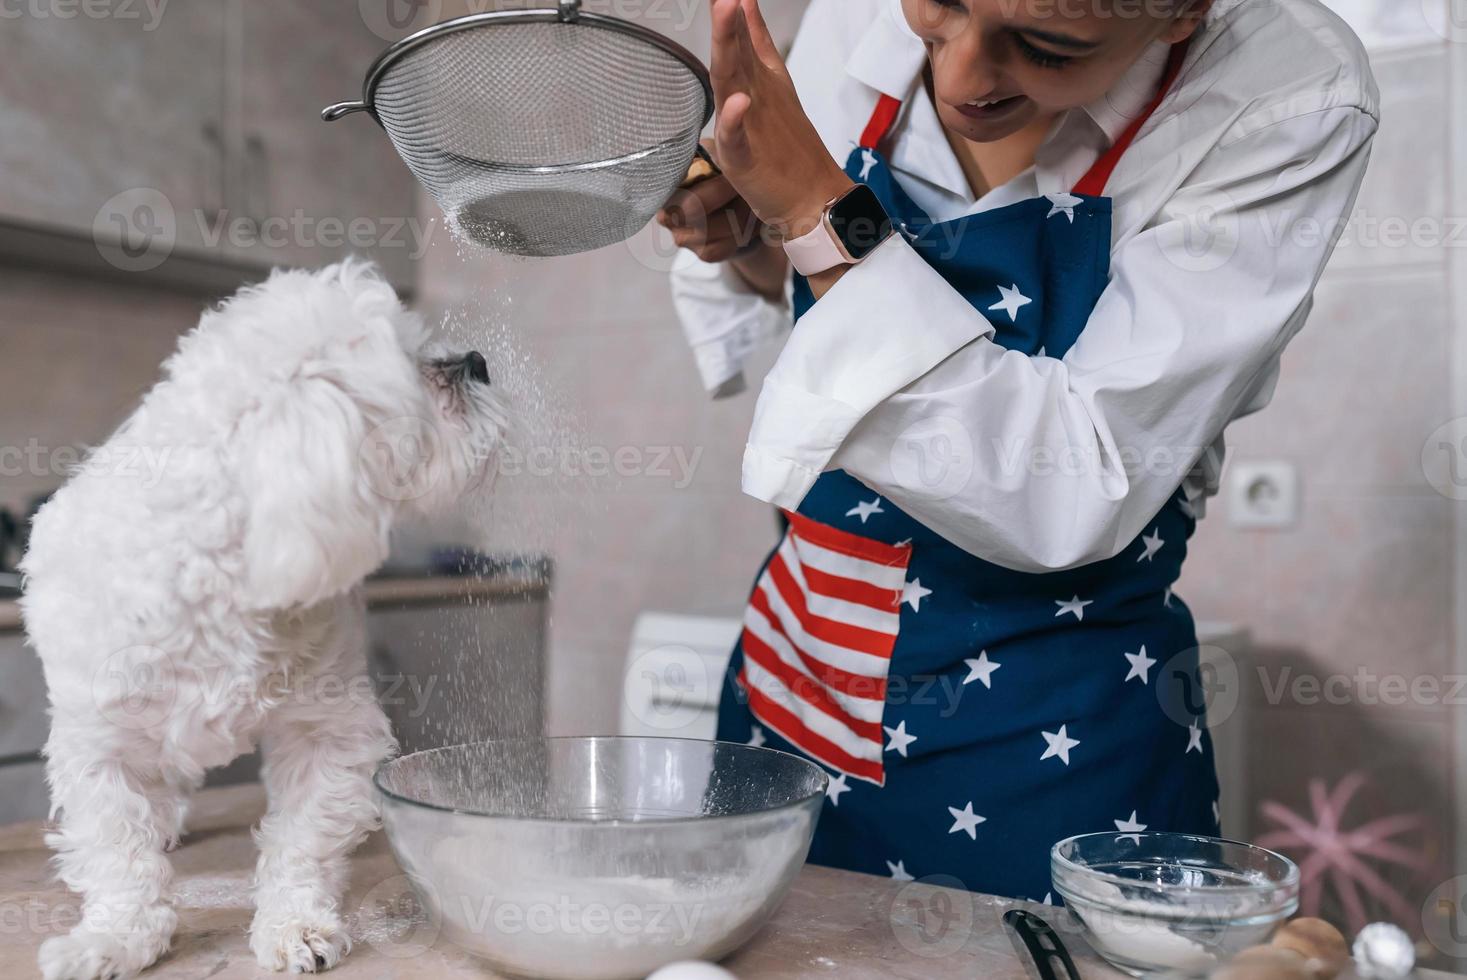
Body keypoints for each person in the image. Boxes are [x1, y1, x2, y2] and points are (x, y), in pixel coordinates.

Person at [659, 0, 1377, 900]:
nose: (959, 78)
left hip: (1056, 749)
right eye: (937, 8)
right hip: (799, 687)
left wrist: (814, 211)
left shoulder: (1284, 89)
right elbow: (815, 318)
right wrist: (756, 232)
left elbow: (1073, 479)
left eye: (1045, 47)